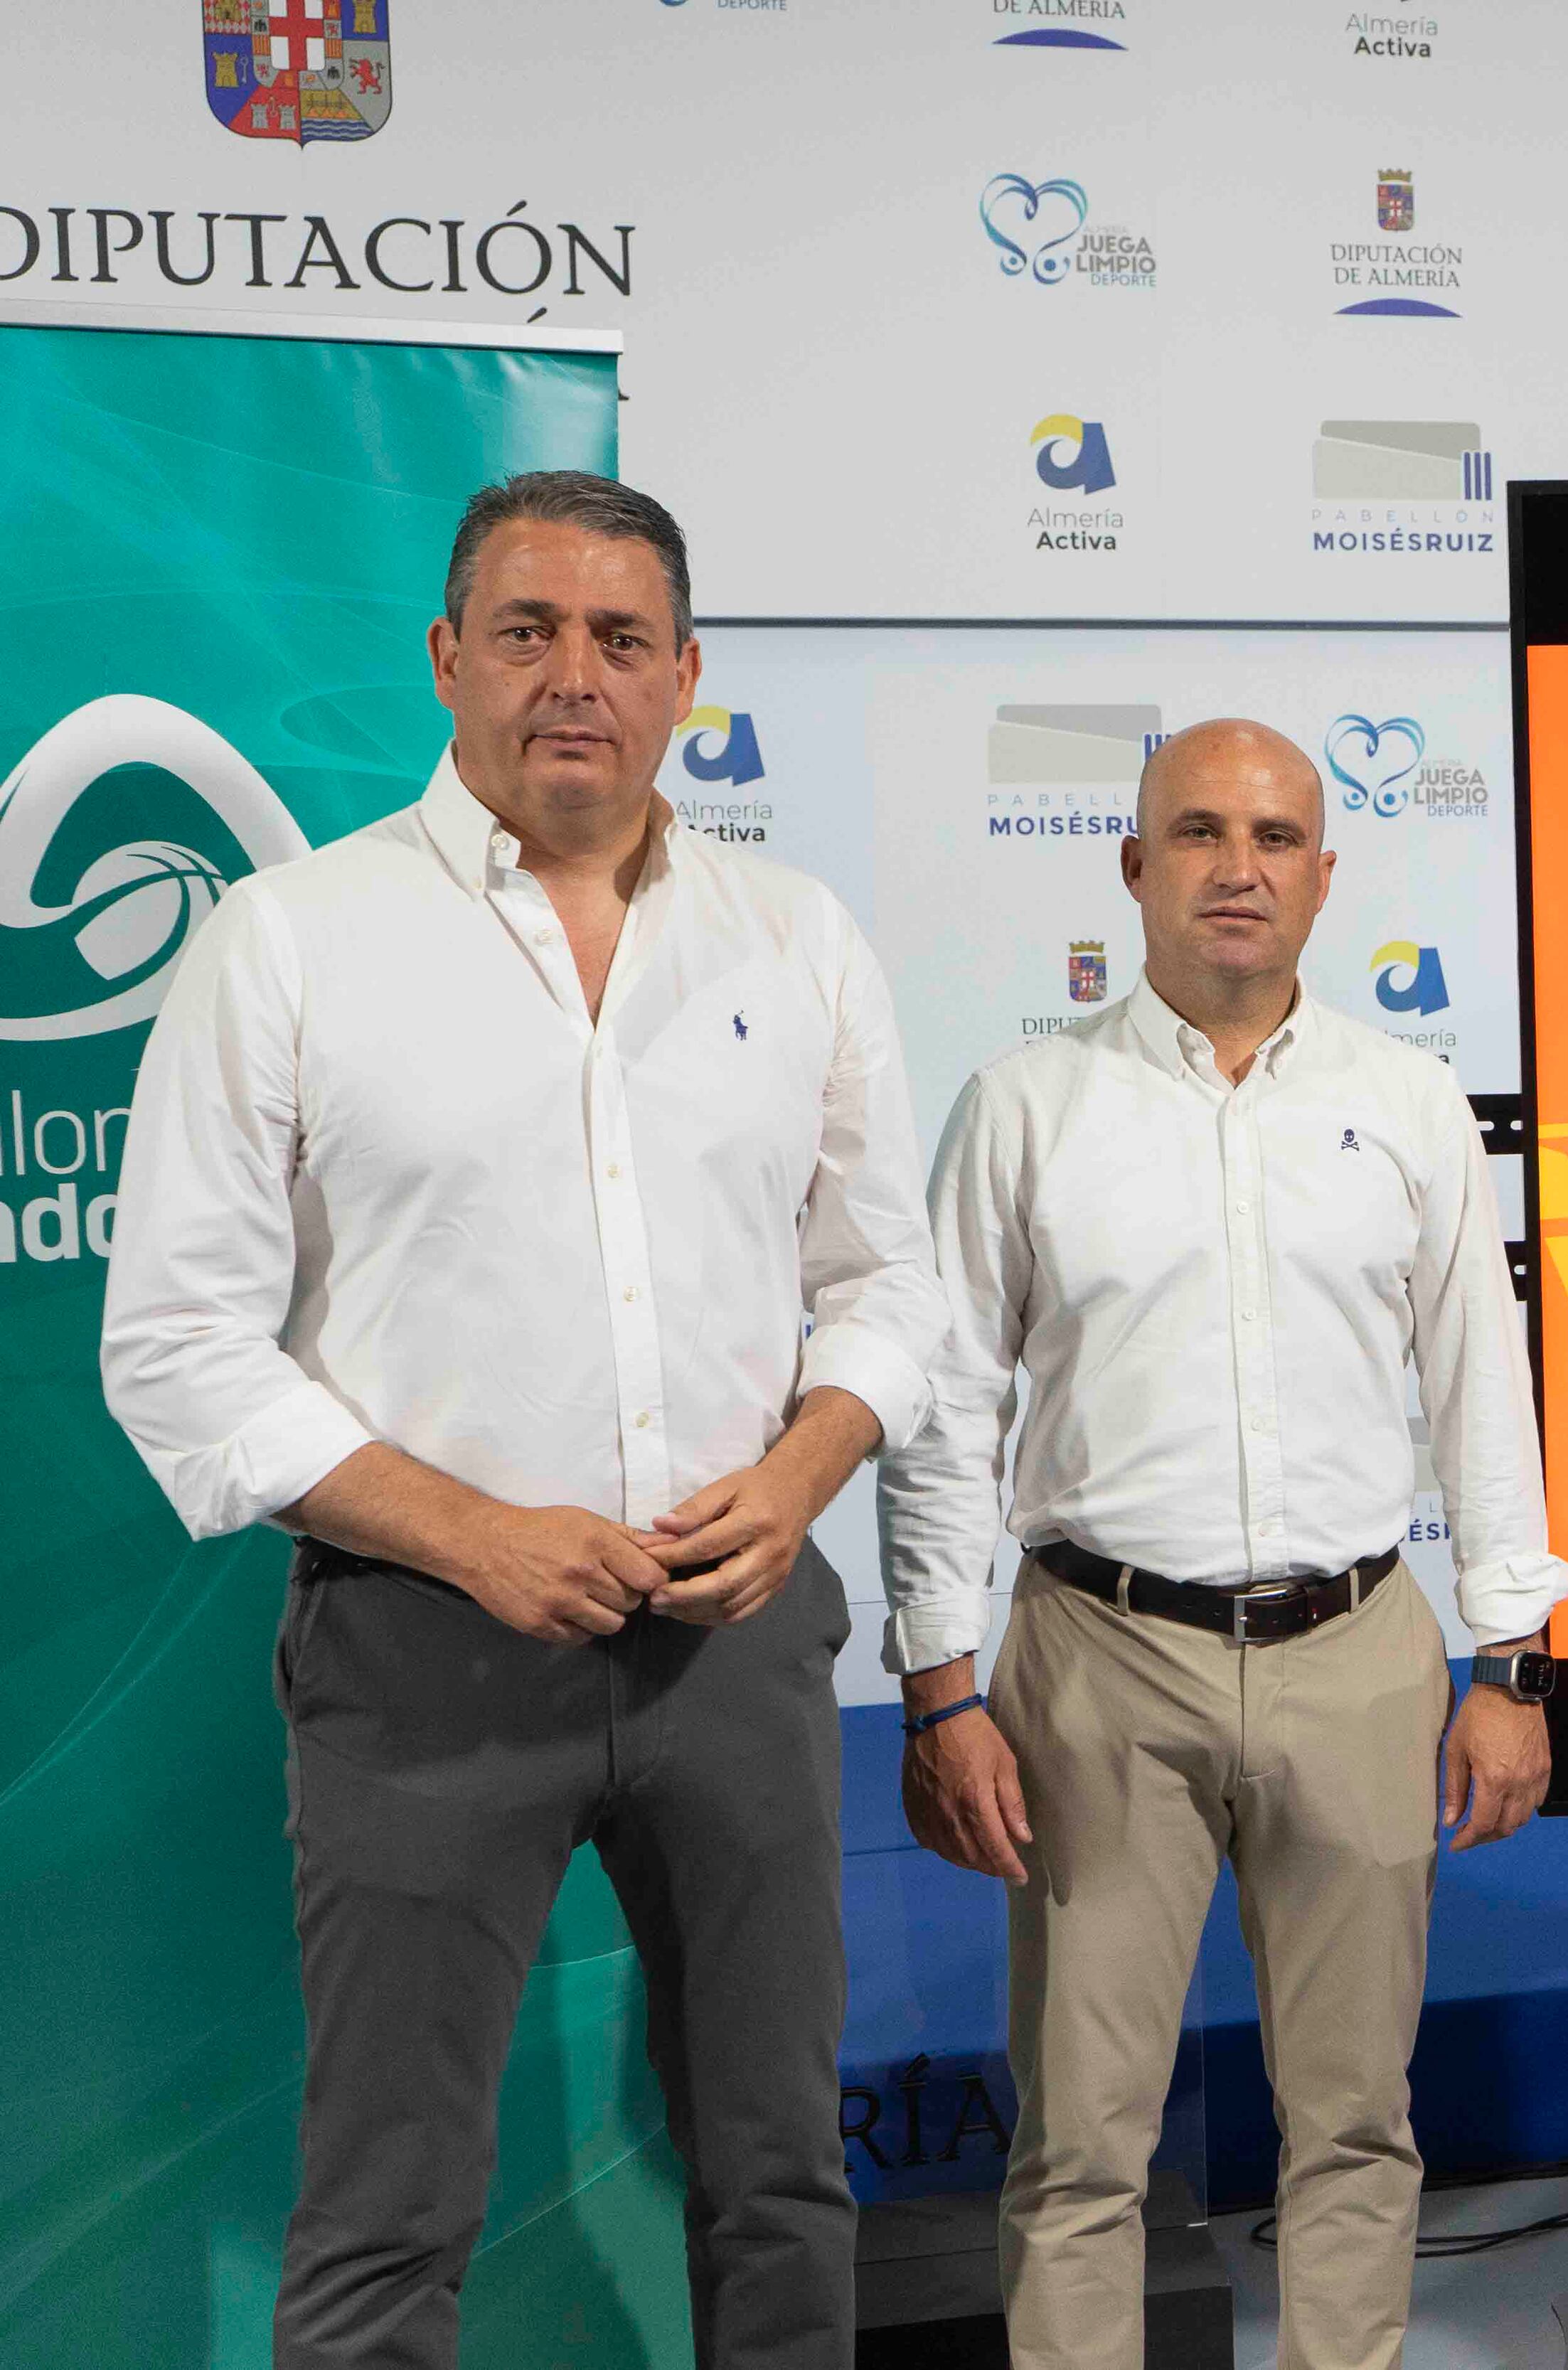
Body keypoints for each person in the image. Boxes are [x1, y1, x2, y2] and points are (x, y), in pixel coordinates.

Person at [99, 471, 945, 2370]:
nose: (578, 676)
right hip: (423, 1653)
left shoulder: (793, 938)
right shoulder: (291, 941)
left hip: (739, 1644)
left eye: (622, 639)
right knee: (386, 2208)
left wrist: (808, 1466)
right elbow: (176, 1345)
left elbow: (893, 1288)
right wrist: (473, 1530)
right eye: (531, 631)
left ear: (687, 678)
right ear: (448, 660)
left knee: (782, 2175)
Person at [879, 718, 1568, 2370]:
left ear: (1324, 878)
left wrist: (1514, 1661)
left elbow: (1486, 1387)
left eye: (1273, 837)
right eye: (1197, 832)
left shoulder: (1405, 1104)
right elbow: (945, 1413)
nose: (1237, 867)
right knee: (1079, 2145)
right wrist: (938, 1687)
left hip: (1360, 1655)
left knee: (1353, 2122)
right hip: (1095, 1663)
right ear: (1135, 866)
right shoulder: (1028, 1107)